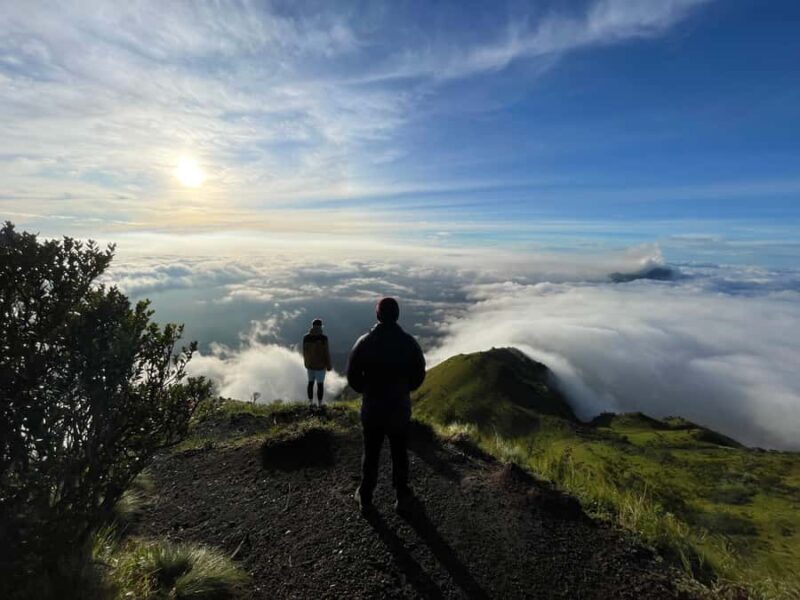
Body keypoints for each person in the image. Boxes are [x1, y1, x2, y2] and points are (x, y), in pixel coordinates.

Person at [346, 297, 426, 515]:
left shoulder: (365, 341)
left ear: (378, 315)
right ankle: (402, 496)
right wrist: (404, 389)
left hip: (372, 409)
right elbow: (419, 374)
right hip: (399, 408)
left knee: (371, 453)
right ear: (397, 315)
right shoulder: (408, 342)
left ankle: (365, 497)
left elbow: (352, 376)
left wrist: (367, 391)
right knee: (399, 452)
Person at [302, 318, 332, 408]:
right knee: (320, 385)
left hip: (310, 365)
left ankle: (310, 402)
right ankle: (319, 404)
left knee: (310, 383)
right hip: (320, 366)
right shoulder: (323, 338)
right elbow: (326, 352)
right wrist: (328, 365)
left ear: (312, 326)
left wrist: (306, 363)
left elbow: (304, 351)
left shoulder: (306, 337)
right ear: (321, 326)